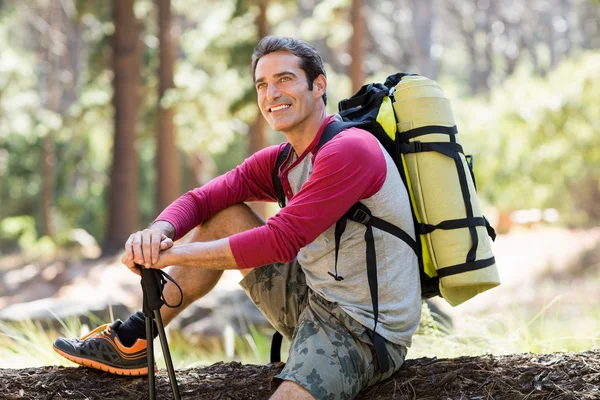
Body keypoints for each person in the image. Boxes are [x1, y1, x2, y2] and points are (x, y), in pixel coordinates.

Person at [53, 36, 422, 400]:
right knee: (225, 214)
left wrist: (170, 256)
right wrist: (157, 232)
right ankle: (137, 338)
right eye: (262, 84)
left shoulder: (350, 150)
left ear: (318, 85)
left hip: (364, 328)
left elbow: (280, 240)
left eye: (285, 79)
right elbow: (202, 199)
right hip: (313, 296)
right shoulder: (284, 159)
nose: (271, 94)